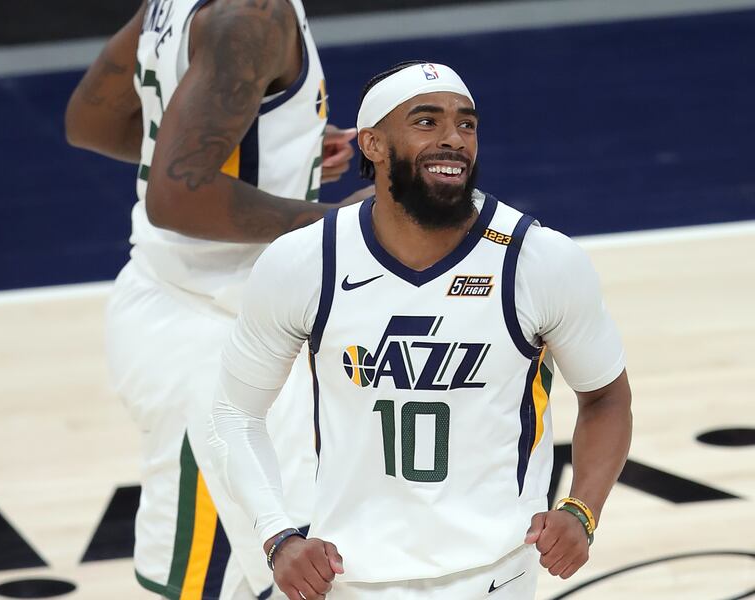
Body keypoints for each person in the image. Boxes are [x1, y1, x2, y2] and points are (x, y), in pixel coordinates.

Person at [207, 61, 633, 600]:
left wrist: (582, 509)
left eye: (466, 124)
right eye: (427, 122)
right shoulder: (305, 261)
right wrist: (277, 536)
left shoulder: (539, 260)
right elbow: (235, 413)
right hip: (349, 577)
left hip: (499, 573)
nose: (454, 138)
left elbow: (606, 398)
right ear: (372, 143)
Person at [64, 1, 370, 598]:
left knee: (255, 576)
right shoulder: (251, 16)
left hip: (173, 305)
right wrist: (339, 224)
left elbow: (92, 122)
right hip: (217, 336)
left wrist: (279, 151)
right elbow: (177, 194)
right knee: (265, 579)